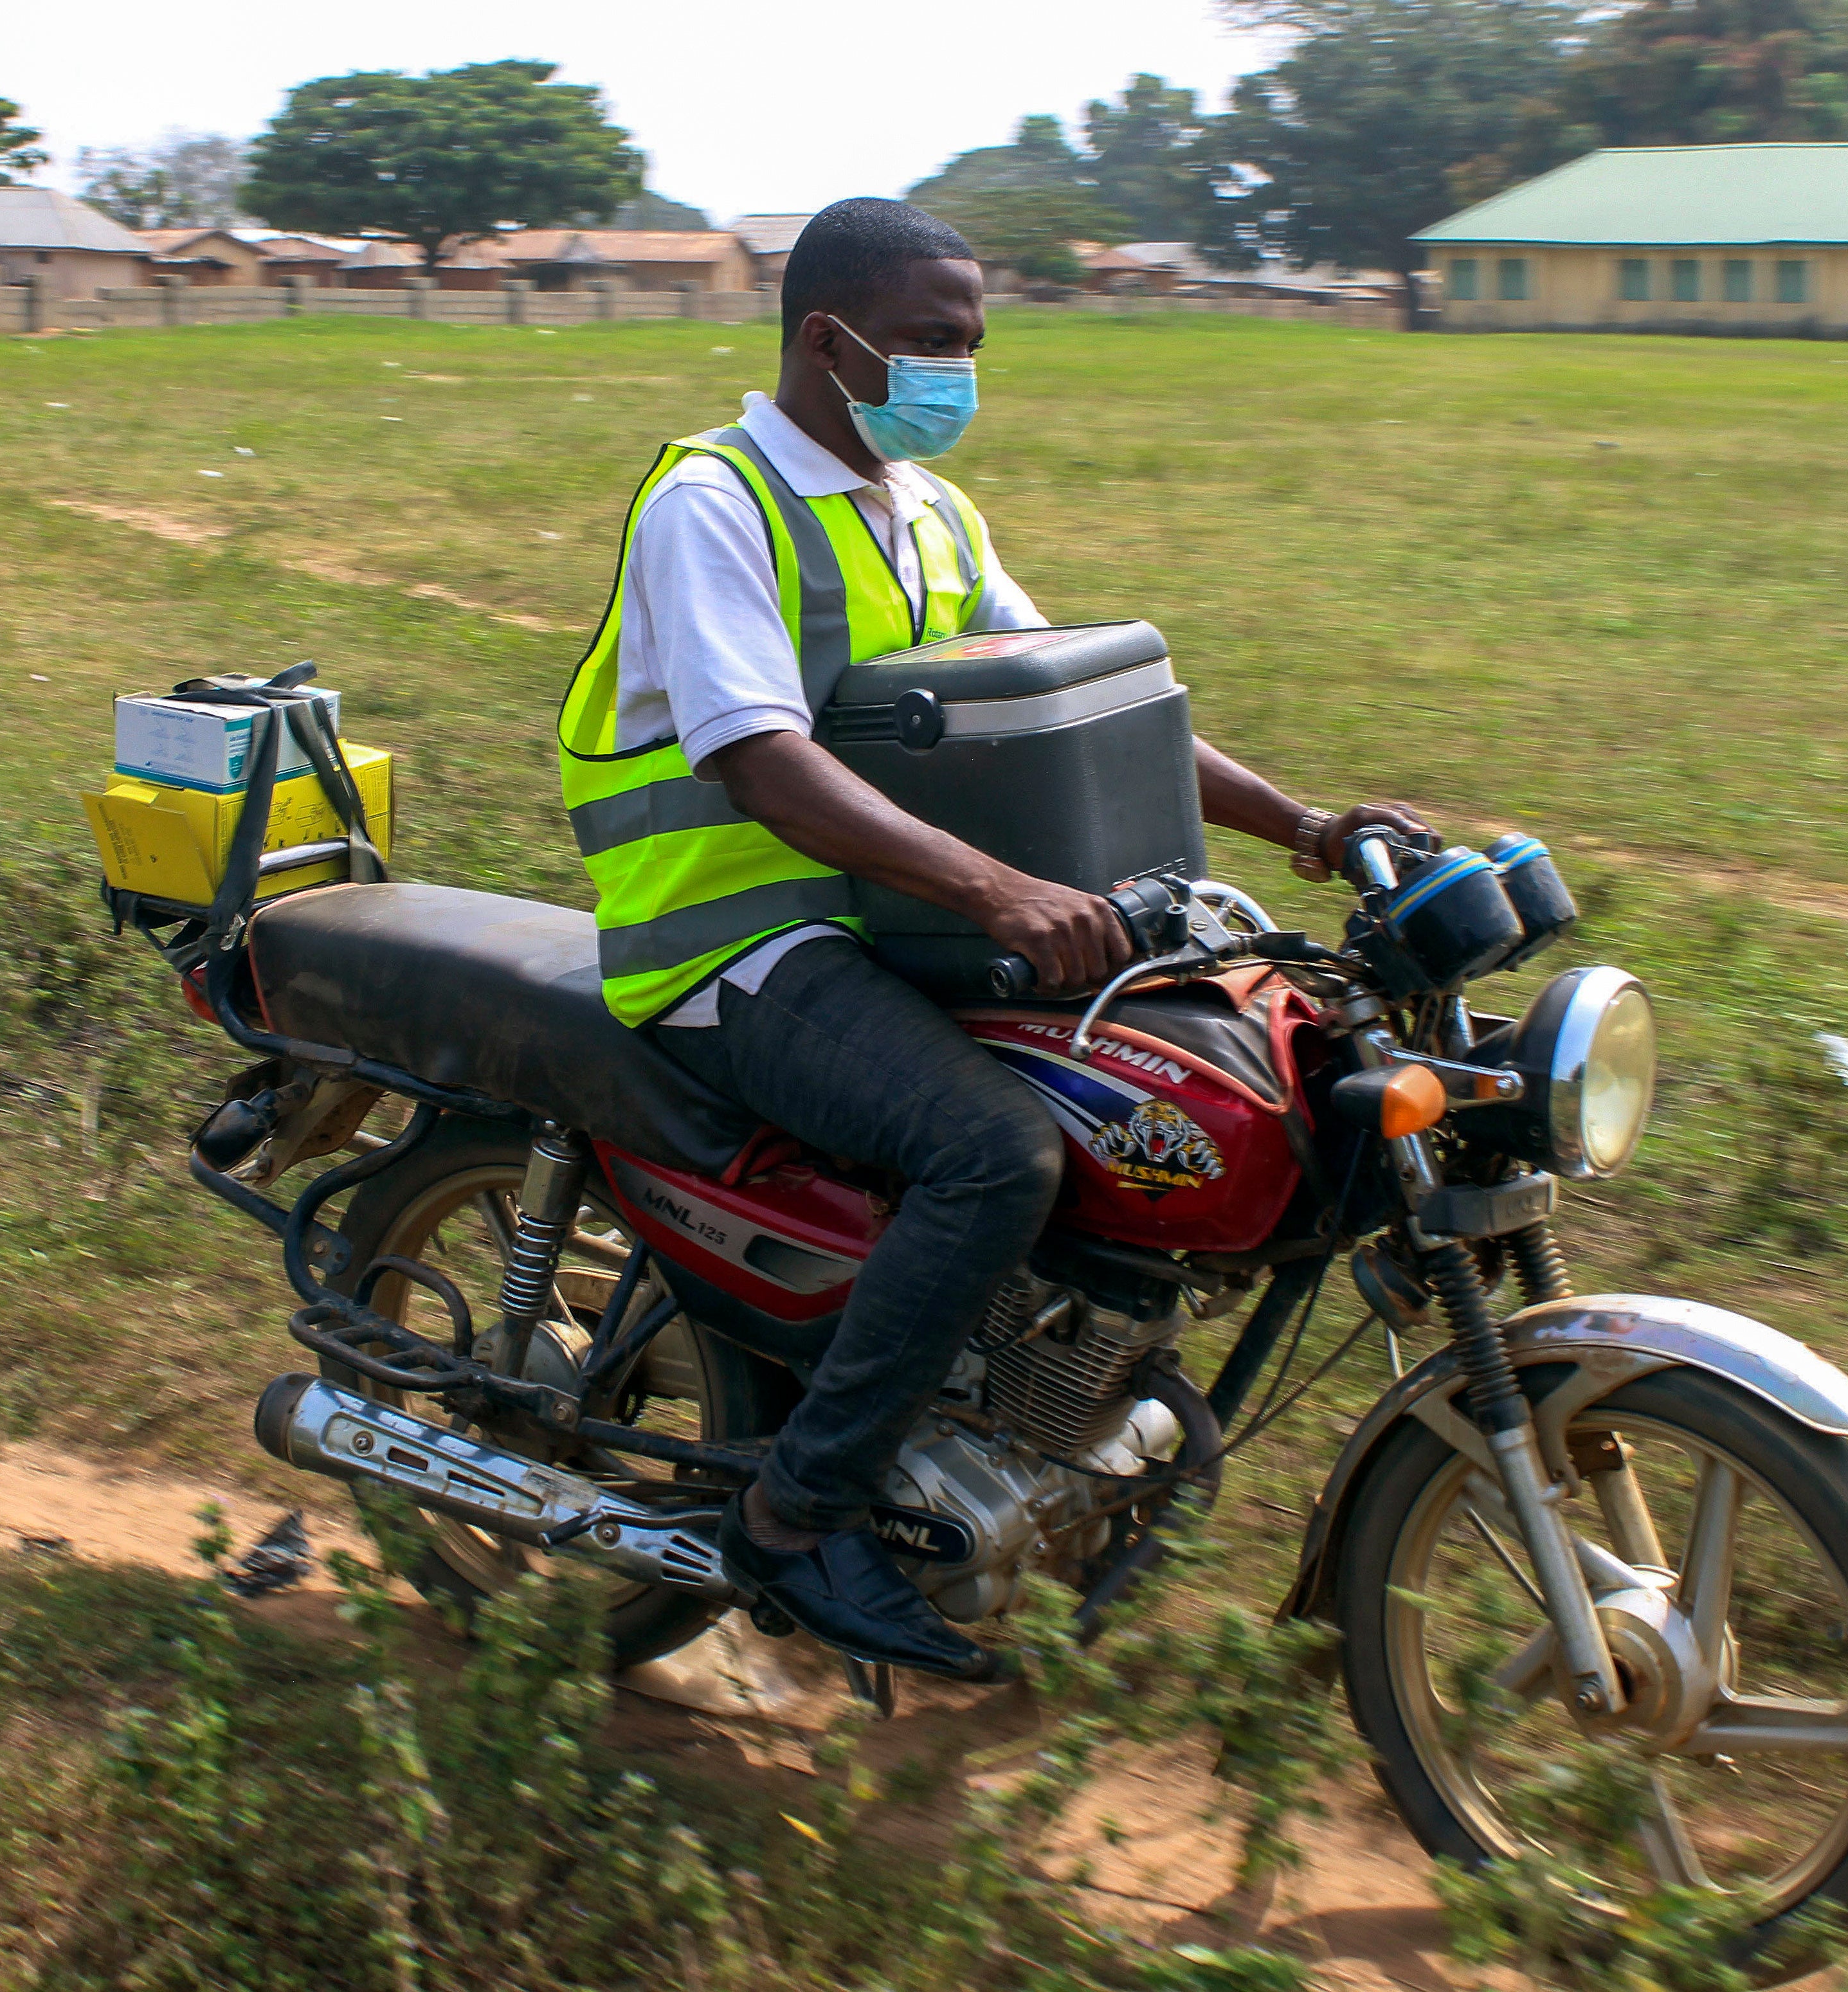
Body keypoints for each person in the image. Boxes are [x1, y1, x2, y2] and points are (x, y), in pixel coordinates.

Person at [554, 197, 1427, 1679]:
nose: (957, 372)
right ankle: (798, 1518)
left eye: (970, 342)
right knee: (992, 1155)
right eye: (929, 343)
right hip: (734, 944)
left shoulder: (931, 512)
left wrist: (1309, 829)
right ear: (826, 339)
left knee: (1151, 1093)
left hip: (894, 929)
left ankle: (1028, 1424)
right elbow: (754, 754)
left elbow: (1090, 712)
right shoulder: (714, 500)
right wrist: (990, 888)